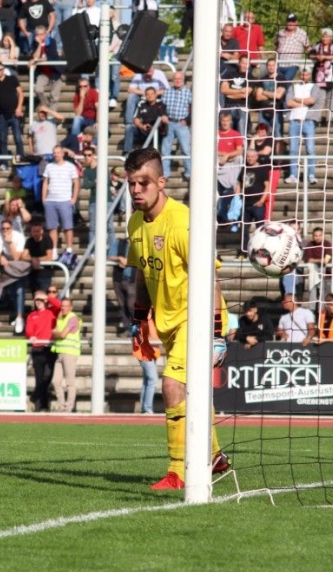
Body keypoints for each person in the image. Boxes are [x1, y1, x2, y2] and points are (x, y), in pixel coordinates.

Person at [125, 147, 229, 491]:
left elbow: (211, 278)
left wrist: (215, 333)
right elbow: (142, 274)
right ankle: (214, 456)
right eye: (131, 183)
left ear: (161, 183)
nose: (136, 189)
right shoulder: (135, 223)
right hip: (168, 321)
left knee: (172, 385)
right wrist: (140, 321)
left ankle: (178, 471)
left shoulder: (183, 222)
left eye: (143, 182)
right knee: (191, 391)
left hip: (198, 318)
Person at [284, 66, 325, 185]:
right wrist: (303, 103)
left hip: (308, 121)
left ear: (309, 75)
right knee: (293, 149)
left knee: (310, 149)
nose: (304, 76)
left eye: (306, 74)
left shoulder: (314, 87)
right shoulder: (293, 86)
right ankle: (293, 174)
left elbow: (311, 101)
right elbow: (289, 102)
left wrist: (296, 99)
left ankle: (311, 174)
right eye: (302, 74)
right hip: (294, 121)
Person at [42, 144, 79, 265]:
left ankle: (69, 250)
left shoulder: (70, 166)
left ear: (62, 153)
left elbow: (76, 183)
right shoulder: (49, 166)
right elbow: (45, 182)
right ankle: (53, 251)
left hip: (65, 200)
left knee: (67, 227)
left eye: (58, 153)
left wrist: (74, 198)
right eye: (54, 153)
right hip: (51, 200)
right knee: (52, 227)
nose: (56, 155)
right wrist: (44, 198)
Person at [24, 289, 55, 412]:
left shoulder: (52, 312)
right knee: (39, 378)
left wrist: (47, 297)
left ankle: (33, 399)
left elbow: (58, 305)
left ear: (45, 300)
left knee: (48, 376)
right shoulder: (32, 315)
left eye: (41, 299)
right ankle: (42, 406)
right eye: (36, 299)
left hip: (49, 347)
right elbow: (28, 330)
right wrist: (31, 335)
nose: (38, 301)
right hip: (37, 348)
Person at [50, 297, 80, 412]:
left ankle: (69, 407)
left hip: (70, 353)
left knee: (70, 382)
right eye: (62, 306)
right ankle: (62, 406)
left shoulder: (73, 318)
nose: (63, 308)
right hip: (60, 352)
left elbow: (61, 334)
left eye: (66, 306)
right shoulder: (60, 317)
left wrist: (55, 333)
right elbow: (56, 332)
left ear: (71, 307)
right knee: (56, 381)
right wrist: (57, 333)